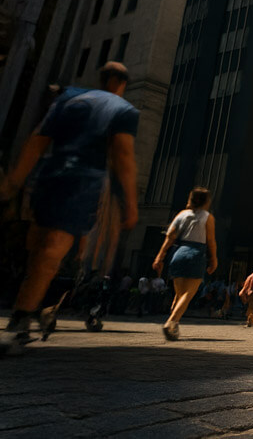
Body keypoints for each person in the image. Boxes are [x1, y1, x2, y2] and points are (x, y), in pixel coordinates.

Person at [1, 63, 139, 354]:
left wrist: (13, 182)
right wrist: (130, 202)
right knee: (50, 255)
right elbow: (124, 156)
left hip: (48, 176)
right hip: (82, 182)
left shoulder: (69, 97)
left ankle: (28, 311)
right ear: (120, 83)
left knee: (38, 253)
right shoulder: (122, 109)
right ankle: (22, 320)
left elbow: (37, 141)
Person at [152, 186, 217, 341]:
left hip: (178, 253)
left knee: (179, 295)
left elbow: (169, 237)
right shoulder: (207, 217)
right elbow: (211, 241)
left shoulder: (182, 214)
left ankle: (175, 326)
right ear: (207, 201)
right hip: (196, 253)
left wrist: (159, 257)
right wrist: (213, 259)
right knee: (188, 294)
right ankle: (171, 322)